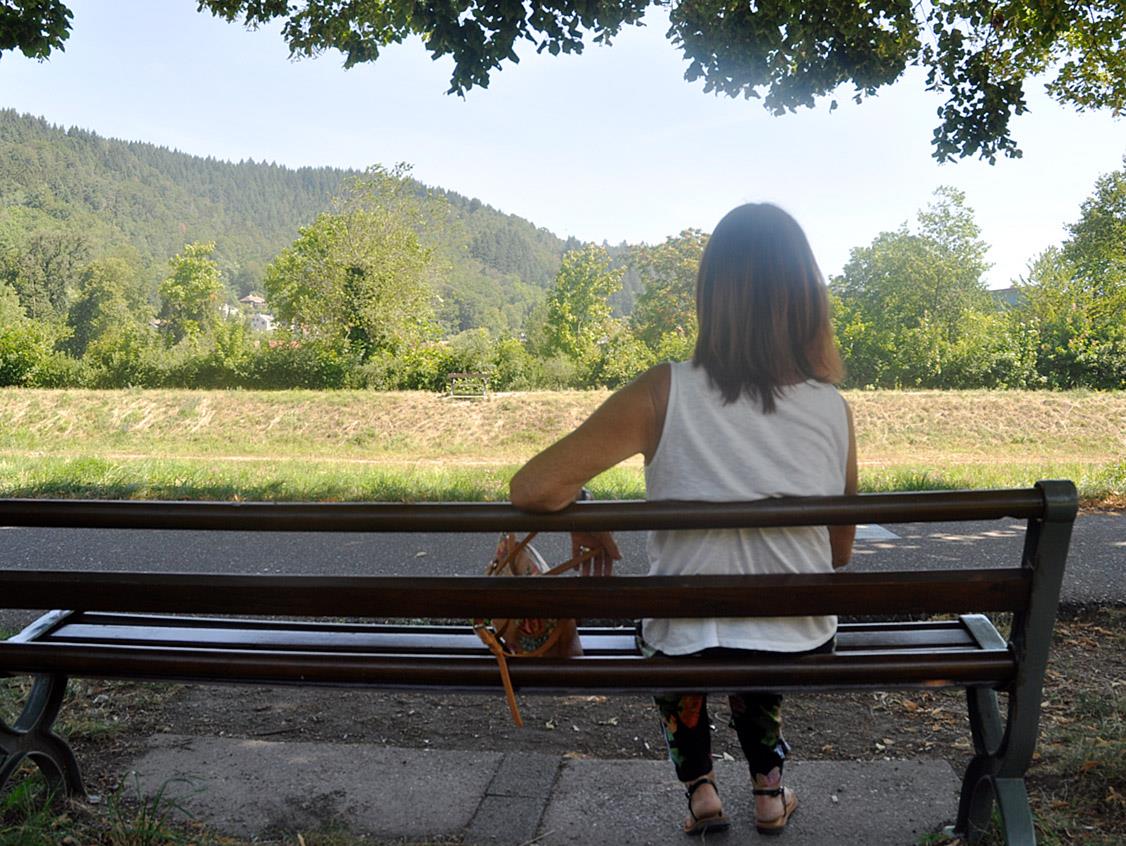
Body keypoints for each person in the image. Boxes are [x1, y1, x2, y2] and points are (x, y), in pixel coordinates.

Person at [509, 202, 858, 837]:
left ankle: (700, 789)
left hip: (684, 634)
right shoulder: (832, 409)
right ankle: (769, 790)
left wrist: (581, 508)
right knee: (761, 629)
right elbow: (838, 554)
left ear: (711, 296)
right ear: (806, 297)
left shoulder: (662, 390)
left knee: (682, 631)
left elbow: (533, 485)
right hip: (799, 637)